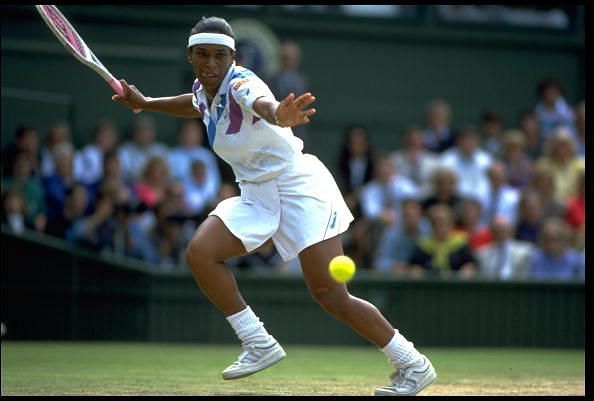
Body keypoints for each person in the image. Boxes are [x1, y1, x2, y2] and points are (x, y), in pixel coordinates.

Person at [111, 16, 436, 396]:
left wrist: (279, 114)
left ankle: (413, 364)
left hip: (298, 187)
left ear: (232, 57)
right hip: (256, 193)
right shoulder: (204, 90)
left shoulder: (243, 83)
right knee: (201, 251)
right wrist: (146, 103)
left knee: (330, 295)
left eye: (220, 56)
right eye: (202, 55)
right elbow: (195, 105)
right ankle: (257, 341)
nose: (211, 63)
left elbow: (262, 104)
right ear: (190, 56)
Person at [389, 125, 439, 197]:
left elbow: (433, 185)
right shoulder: (394, 159)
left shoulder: (433, 160)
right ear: (404, 141)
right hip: (401, 198)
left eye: (417, 139)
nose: (414, 142)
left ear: (422, 141)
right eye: (410, 140)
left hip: (426, 198)